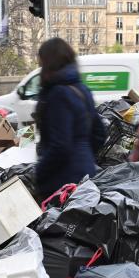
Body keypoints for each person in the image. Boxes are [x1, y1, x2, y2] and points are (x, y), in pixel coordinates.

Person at [34, 38, 106, 198]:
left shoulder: (57, 94)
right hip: (85, 174)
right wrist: (84, 154)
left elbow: (60, 145)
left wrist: (39, 172)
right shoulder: (82, 89)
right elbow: (99, 133)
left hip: (62, 180)